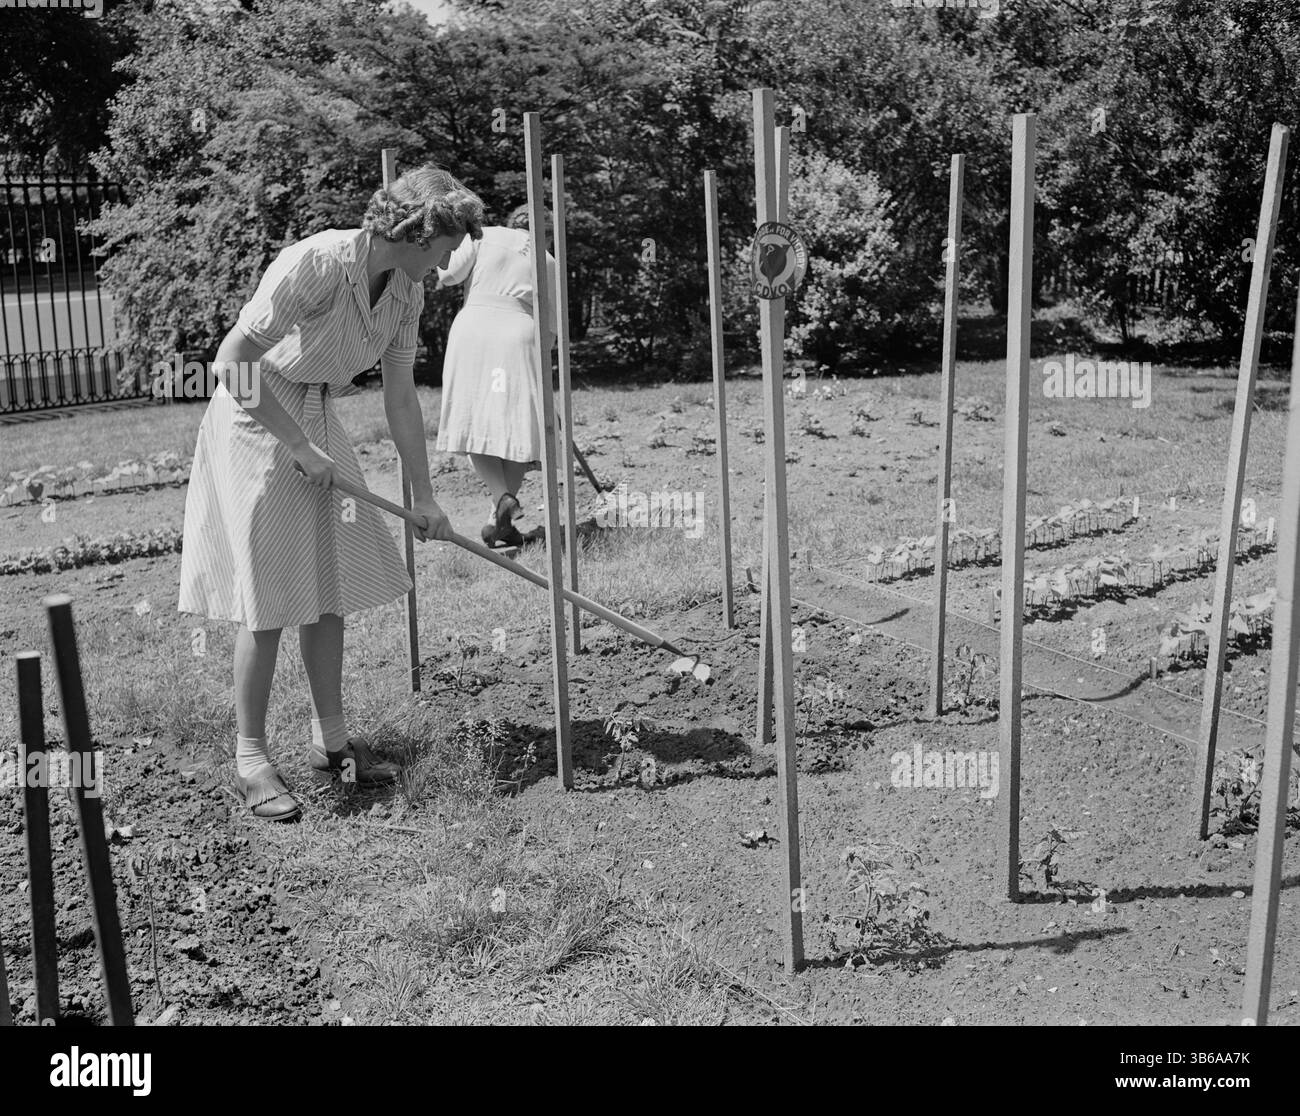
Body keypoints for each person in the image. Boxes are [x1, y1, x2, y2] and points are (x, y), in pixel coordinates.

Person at [178, 164, 484, 822]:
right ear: (418, 233)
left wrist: (425, 495)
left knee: (331, 583)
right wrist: (294, 444)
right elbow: (232, 362)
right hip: (255, 417)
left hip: (317, 413)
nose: (451, 260)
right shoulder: (315, 263)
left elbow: (400, 398)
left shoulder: (406, 290)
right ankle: (251, 759)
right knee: (267, 600)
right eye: (449, 244)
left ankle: (332, 741)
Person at [434, 204, 560, 547]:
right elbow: (551, 334)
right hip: (519, 333)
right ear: (545, 232)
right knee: (519, 425)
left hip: (472, 329)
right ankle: (497, 517)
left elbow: (447, 275)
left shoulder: (483, 235)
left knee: (479, 420)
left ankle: (501, 499)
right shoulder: (548, 260)